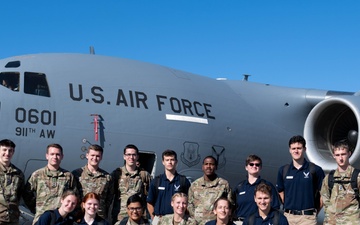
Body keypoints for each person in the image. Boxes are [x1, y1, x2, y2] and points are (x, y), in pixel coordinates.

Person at [24, 143, 78, 224]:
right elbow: (26, 194)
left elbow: (75, 196)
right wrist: (37, 208)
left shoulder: (68, 176)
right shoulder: (37, 175)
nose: (55, 157)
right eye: (52, 154)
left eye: (57, 154)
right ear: (47, 156)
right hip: (41, 219)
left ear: (62, 156)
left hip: (61, 220)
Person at [276, 135, 325, 225]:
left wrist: (315, 212)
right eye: (293, 148)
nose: (296, 151)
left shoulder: (315, 170)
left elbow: (324, 194)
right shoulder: (283, 170)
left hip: (308, 218)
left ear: (305, 149)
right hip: (288, 217)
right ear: (290, 150)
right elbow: (280, 191)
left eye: (299, 148)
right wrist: (289, 205)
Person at [320, 140, 360, 225]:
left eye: (343, 154)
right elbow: (325, 200)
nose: (340, 158)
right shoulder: (329, 178)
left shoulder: (357, 177)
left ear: (349, 154)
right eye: (337, 155)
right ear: (334, 156)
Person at [147, 150, 191, 225]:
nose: (169, 162)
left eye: (172, 160)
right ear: (163, 162)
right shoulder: (156, 181)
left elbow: (189, 201)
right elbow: (149, 202)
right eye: (167, 160)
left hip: (177, 220)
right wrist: (154, 218)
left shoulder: (183, 181)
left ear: (176, 162)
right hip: (159, 219)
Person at [233, 155, 280, 225]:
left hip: (258, 222)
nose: (254, 166)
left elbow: (275, 207)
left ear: (260, 167)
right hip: (239, 222)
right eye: (251, 164)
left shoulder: (267, 185)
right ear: (246, 167)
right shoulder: (240, 186)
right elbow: (233, 206)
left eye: (257, 164)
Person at [111, 144, 151, 223]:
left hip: (139, 217)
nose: (131, 157)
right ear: (124, 156)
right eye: (128, 154)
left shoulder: (144, 174)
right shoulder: (117, 174)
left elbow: (151, 195)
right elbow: (109, 195)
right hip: (121, 217)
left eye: (134, 155)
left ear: (137, 157)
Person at [188, 156, 233, 225]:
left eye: (211, 164)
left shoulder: (224, 184)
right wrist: (194, 218)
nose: (208, 166)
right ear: (202, 167)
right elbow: (189, 204)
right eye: (206, 164)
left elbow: (230, 204)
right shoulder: (195, 185)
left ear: (216, 167)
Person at [72, 144, 113, 219]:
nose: (95, 158)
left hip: (99, 216)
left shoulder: (107, 177)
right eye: (92, 155)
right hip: (80, 216)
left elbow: (109, 198)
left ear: (101, 157)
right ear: (87, 155)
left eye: (97, 156)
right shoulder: (77, 174)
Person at [0, 139, 25, 225]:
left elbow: (21, 195)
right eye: (4, 150)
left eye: (10, 151)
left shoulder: (18, 174)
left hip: (12, 219)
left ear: (13, 153)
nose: (7, 153)